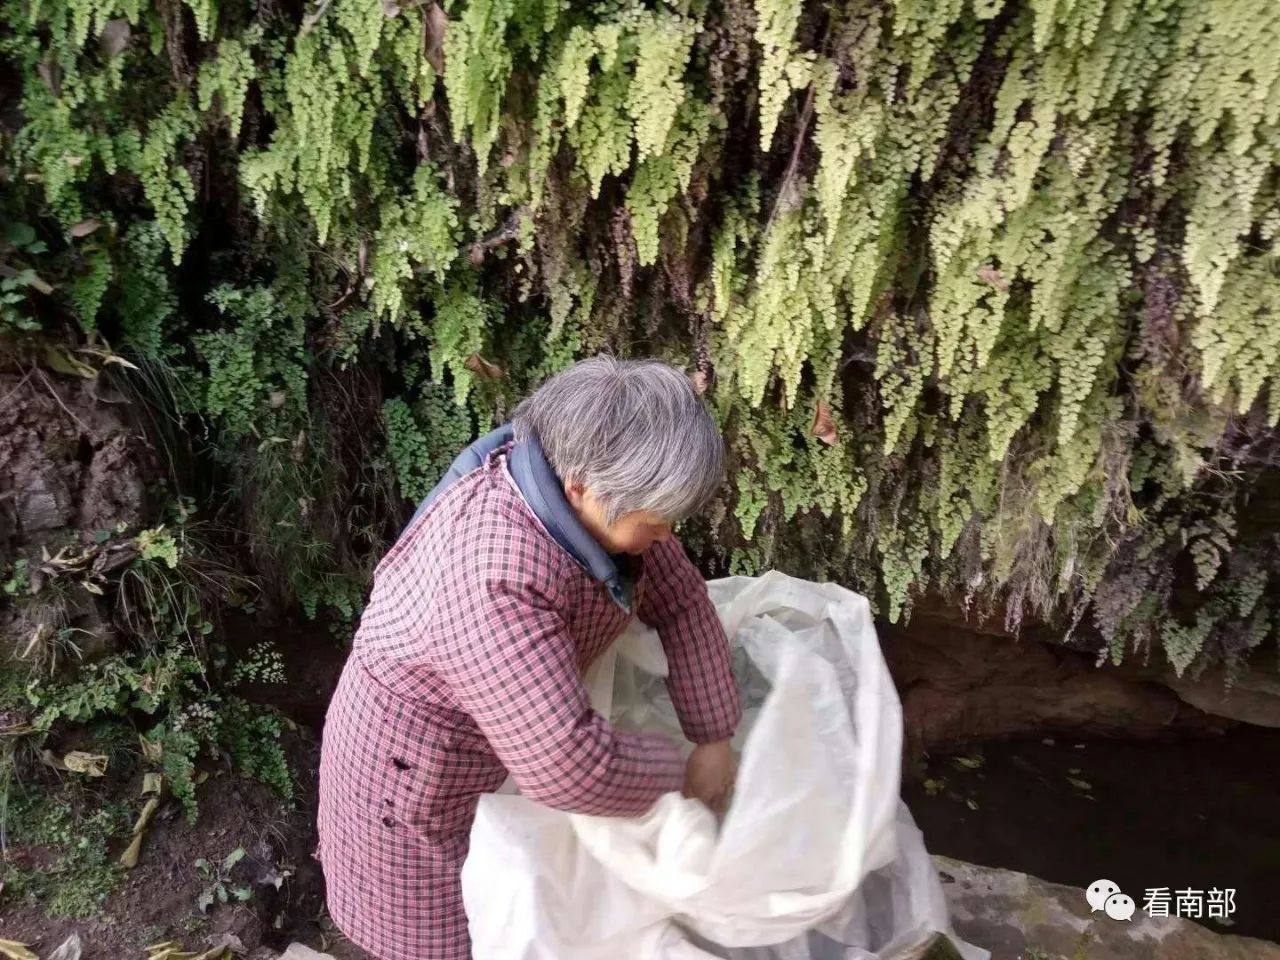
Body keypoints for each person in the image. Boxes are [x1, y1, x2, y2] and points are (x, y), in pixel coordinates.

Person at [316, 355, 743, 960]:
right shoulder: (495, 574)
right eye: (656, 521)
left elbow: (681, 605)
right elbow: (568, 767)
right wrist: (679, 772)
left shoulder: (596, 490)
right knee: (446, 939)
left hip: (504, 742)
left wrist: (714, 733)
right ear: (581, 489)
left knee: (521, 905)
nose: (668, 536)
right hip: (408, 784)